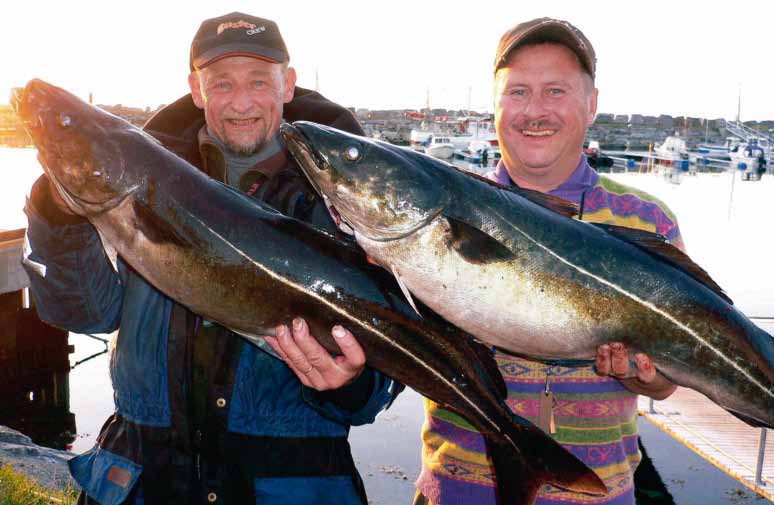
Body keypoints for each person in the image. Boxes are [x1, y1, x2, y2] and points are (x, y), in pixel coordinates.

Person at [22, 12, 400, 505]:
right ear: (196, 90)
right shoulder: (134, 179)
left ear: (287, 85)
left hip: (292, 481)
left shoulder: (349, 205)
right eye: (222, 83)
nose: (241, 103)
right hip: (143, 477)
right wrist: (57, 211)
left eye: (258, 81)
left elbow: (381, 385)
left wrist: (349, 384)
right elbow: (81, 313)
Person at [414, 18, 684, 505]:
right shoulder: (438, 212)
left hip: (600, 495)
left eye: (555, 91)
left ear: (592, 104)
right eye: (517, 92)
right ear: (494, 105)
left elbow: (669, 381)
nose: (534, 111)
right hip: (456, 492)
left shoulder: (647, 223)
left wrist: (648, 375)